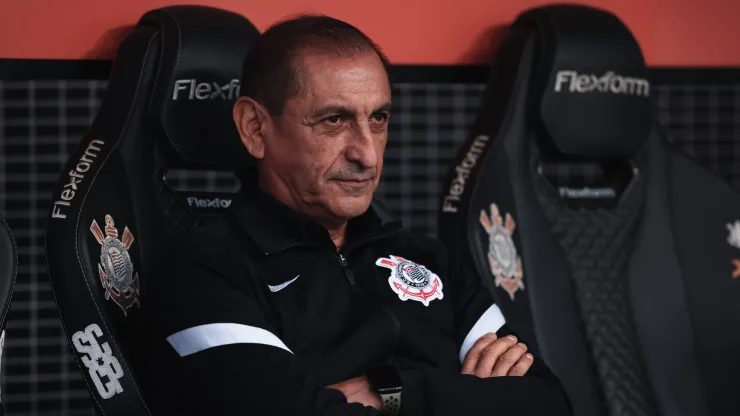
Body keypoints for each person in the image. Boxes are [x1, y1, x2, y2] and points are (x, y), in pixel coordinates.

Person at [143, 15, 572, 416]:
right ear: (256, 128)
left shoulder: (432, 264)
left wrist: (390, 392)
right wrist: (471, 396)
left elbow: (549, 403)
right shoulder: (206, 272)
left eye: (379, 118)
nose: (366, 154)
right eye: (334, 120)